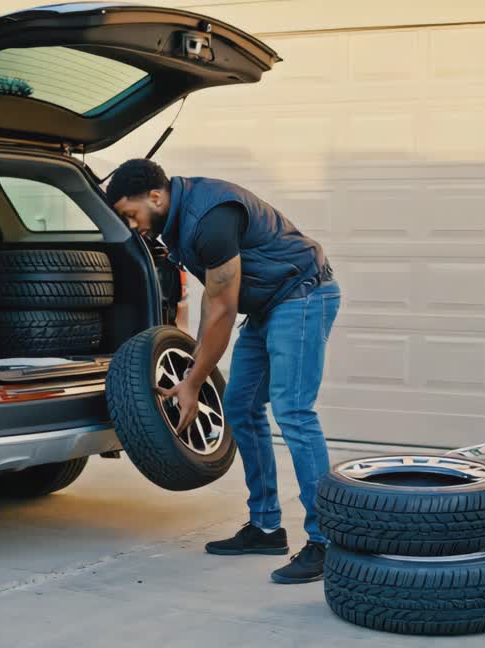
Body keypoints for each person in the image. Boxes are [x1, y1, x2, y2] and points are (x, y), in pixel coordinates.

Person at [106, 159, 341, 584]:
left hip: (303, 294)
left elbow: (222, 309)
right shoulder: (179, 222)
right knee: (239, 406)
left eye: (130, 214)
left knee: (293, 411)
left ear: (155, 197)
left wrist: (193, 382)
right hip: (269, 303)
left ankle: (327, 541)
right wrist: (195, 369)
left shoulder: (209, 218)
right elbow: (210, 306)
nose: (131, 225)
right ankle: (267, 527)